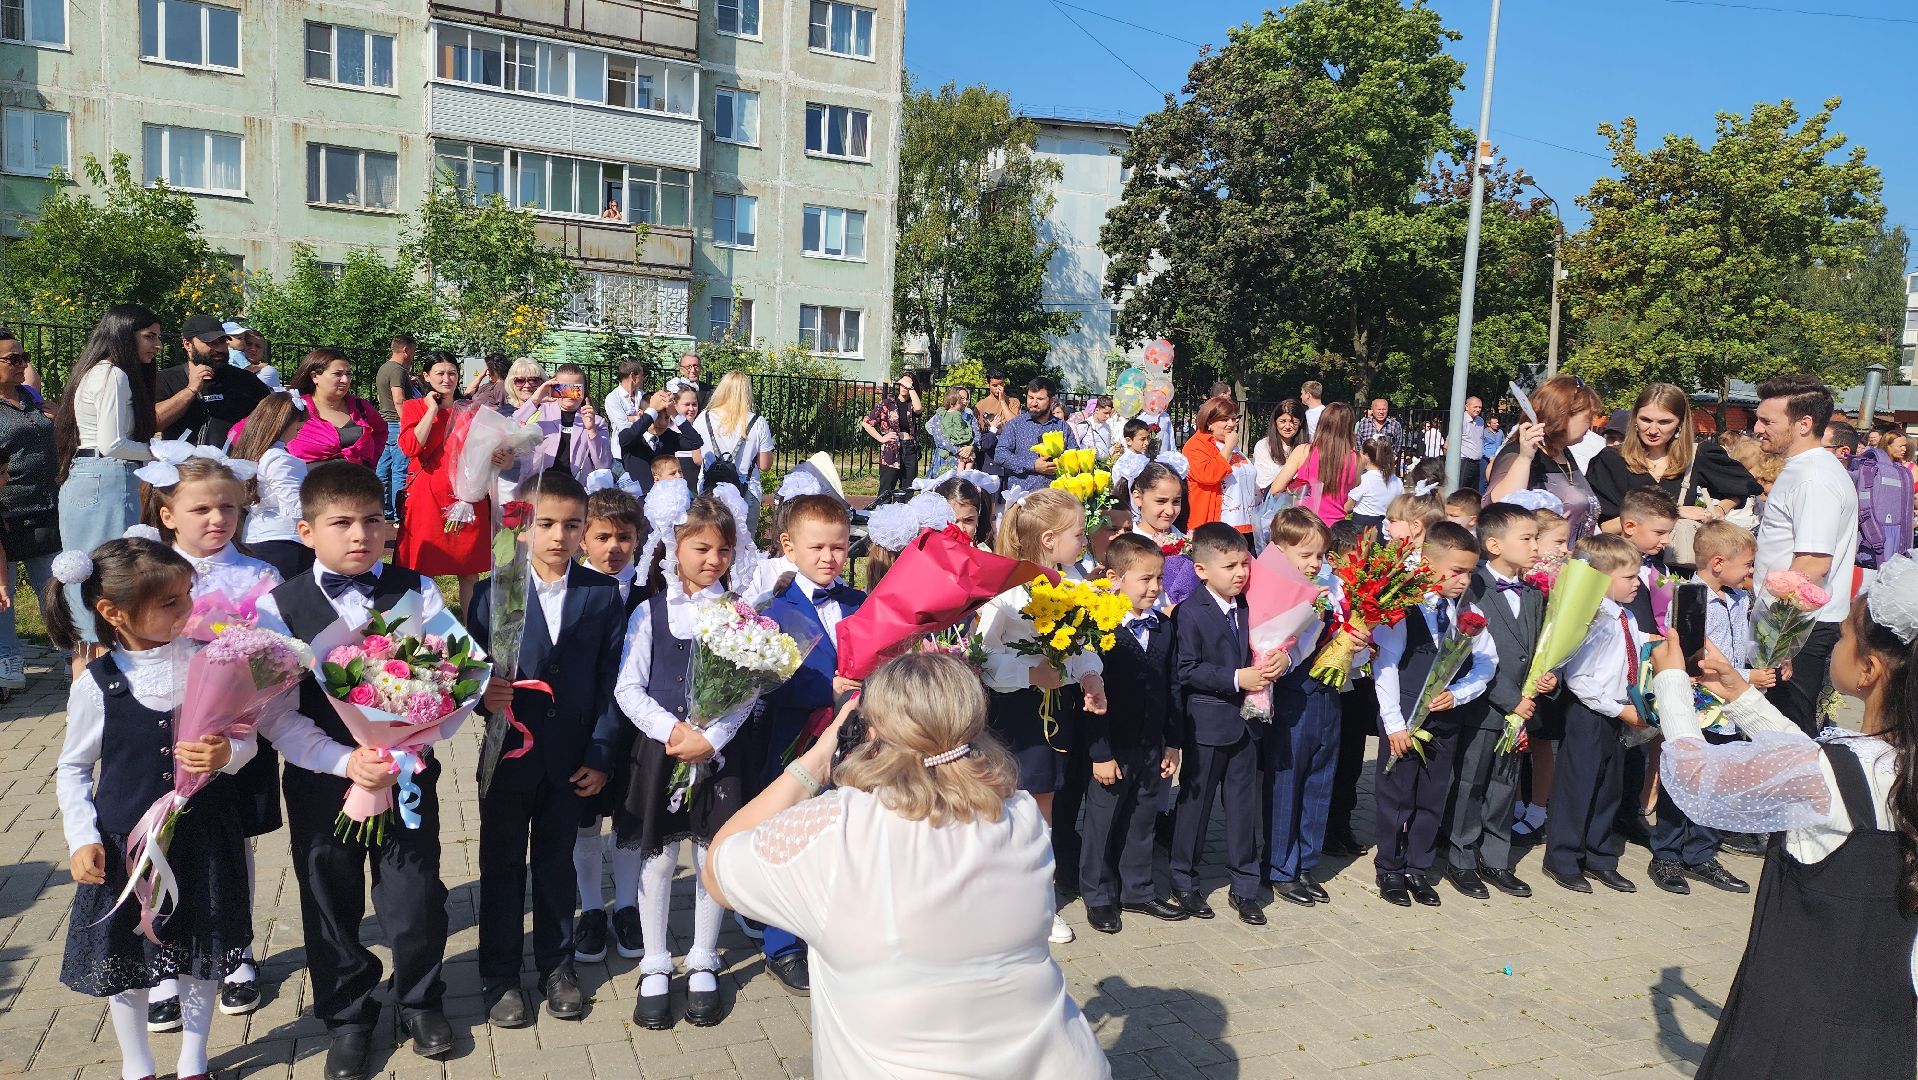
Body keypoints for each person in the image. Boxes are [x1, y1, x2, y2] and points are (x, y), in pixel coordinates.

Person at [703, 653, 1110, 1078]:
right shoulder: (1020, 814)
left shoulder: (836, 830)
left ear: (870, 732)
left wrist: (820, 757)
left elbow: (717, 869)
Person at [1650, 556, 1918, 1078]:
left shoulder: (1831, 772)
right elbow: (1816, 767)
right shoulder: (1892, 763)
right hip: (1886, 1030)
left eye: (1842, 637)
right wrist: (1736, 691)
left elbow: (1691, 776)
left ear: (1868, 670)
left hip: (1796, 1029)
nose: (1835, 647)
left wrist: (1672, 683)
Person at [253, 462, 455, 1080]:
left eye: (372, 520)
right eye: (340, 523)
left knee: (415, 894)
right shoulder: (277, 606)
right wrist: (346, 762)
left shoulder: (416, 590)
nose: (359, 534)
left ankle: (420, 997)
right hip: (322, 778)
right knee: (329, 897)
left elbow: (453, 685)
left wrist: (407, 747)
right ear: (306, 530)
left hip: (406, 772)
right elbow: (271, 712)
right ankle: (348, 1013)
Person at [50, 538, 256, 1080]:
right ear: (114, 613)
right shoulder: (99, 684)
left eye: (188, 595)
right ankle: (136, 1064)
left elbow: (247, 740)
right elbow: (73, 768)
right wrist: (81, 838)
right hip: (126, 845)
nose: (188, 609)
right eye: (170, 603)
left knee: (202, 949)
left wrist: (227, 754)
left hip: (204, 835)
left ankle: (194, 1059)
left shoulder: (213, 662)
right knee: (129, 960)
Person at [467, 469, 624, 1028]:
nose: (559, 536)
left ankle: (557, 966)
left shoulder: (602, 594)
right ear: (524, 525)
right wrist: (484, 696)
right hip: (509, 757)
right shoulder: (494, 591)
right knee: (502, 865)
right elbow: (468, 675)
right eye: (546, 523)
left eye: (572, 525)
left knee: (556, 865)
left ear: (585, 530)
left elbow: (612, 680)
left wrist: (602, 752)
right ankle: (500, 973)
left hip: (570, 759)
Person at [137, 447, 283, 1024]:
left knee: (232, 840)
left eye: (229, 507)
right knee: (156, 837)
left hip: (233, 734)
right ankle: (161, 959)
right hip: (158, 726)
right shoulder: (145, 571)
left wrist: (243, 698)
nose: (218, 519)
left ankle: (235, 948)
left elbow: (277, 659)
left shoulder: (259, 577)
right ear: (169, 513)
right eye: (201, 509)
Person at [612, 489, 757, 1030]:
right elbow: (629, 687)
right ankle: (654, 960)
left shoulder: (739, 614)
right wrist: (674, 732)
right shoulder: (650, 612)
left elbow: (747, 690)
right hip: (660, 750)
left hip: (718, 755)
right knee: (659, 853)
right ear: (674, 546)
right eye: (701, 548)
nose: (712, 560)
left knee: (709, 852)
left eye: (723, 550)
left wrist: (711, 737)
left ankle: (703, 955)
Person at [978, 488, 1110, 944]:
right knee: (1009, 808)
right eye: (1079, 533)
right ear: (1050, 539)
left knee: (1045, 809)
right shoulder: (1008, 591)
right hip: (1016, 715)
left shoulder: (1072, 585)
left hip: (1057, 715)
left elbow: (1083, 644)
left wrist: (1091, 675)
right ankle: (1000, 902)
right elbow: (983, 656)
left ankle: (1037, 901)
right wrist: (1029, 672)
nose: (1085, 538)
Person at [757, 494, 865, 992]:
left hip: (857, 748)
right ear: (788, 547)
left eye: (839, 547)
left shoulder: (861, 603)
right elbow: (768, 685)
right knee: (792, 841)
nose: (828, 557)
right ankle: (780, 942)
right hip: (795, 746)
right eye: (817, 547)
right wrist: (827, 691)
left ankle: (835, 934)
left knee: (843, 842)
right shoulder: (773, 612)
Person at [1369, 522, 1495, 908]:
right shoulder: (1402, 606)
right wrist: (1392, 724)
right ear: (1427, 564)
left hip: (1444, 718)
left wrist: (1457, 694)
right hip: (1403, 718)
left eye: (1470, 572)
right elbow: (1386, 666)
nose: (1463, 580)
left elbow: (1486, 665)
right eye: (1456, 571)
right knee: (1396, 795)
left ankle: (1417, 868)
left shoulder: (1466, 611)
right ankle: (1390, 867)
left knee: (1432, 794)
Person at [1169, 523, 1285, 925]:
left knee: (1242, 807)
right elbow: (1186, 669)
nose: (1240, 573)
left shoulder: (1252, 606)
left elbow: (1271, 644)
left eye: (1243, 564)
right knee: (1195, 806)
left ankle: (1246, 886)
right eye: (1229, 566)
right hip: (1207, 724)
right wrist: (1238, 679)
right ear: (1201, 570)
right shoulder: (1189, 612)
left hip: (1248, 724)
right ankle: (1183, 880)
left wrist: (1280, 660)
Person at [1078, 534, 1187, 935]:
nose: (1154, 588)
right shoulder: (1098, 631)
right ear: (1116, 578)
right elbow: (1090, 699)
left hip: (1150, 743)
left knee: (1142, 817)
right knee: (1103, 821)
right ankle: (1099, 894)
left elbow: (1172, 686)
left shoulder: (1163, 627)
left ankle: (1138, 890)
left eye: (1158, 579)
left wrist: (1172, 742)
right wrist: (1100, 752)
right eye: (1145, 579)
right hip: (1113, 745)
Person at [1449, 503, 1552, 901]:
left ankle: (1496, 857)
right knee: (1471, 783)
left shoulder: (1530, 593)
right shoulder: (1472, 586)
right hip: (1484, 705)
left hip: (1520, 709)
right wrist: (1509, 699)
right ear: (1493, 544)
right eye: (1526, 538)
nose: (1535, 546)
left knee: (1505, 783)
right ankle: (1461, 856)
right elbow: (1465, 655)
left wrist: (1546, 678)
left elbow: (1537, 646)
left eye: (1535, 538)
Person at [55, 304, 163, 681]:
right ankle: (95, 690)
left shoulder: (97, 371)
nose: (157, 345)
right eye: (149, 336)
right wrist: (159, 453)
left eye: (158, 336)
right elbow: (113, 442)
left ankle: (87, 688)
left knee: (90, 579)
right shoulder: (113, 374)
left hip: (94, 477)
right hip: (107, 475)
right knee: (106, 578)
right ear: (124, 333)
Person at [1752, 375, 1859, 736]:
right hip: (1795, 625)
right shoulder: (1805, 470)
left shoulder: (1813, 478)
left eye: (1768, 421)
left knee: (1788, 737)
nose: (1757, 428)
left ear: (1804, 424)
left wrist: (1779, 640)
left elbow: (1812, 565)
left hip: (1800, 628)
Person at [569, 483, 646, 969]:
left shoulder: (651, 589)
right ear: (584, 540)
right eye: (602, 537)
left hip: (639, 728)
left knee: (630, 818)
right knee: (586, 820)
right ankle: (593, 907)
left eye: (624, 537)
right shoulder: (573, 590)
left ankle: (631, 907)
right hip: (589, 725)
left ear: (638, 538)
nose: (613, 548)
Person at [1544, 532, 1647, 895]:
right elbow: (1580, 679)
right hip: (1591, 714)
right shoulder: (1591, 618)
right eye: (1630, 577)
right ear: (1601, 579)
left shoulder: (1626, 616)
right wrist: (1618, 709)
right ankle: (1563, 858)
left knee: (1609, 787)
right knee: (1579, 785)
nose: (1639, 582)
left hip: (1619, 713)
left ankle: (1600, 856)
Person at [1262, 509, 1340, 907]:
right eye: (1306, 555)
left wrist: (1353, 645)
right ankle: (1280, 865)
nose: (1315, 563)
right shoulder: (1271, 587)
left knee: (1319, 778)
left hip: (1327, 691)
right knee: (1288, 781)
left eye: (1320, 556)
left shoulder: (1328, 586)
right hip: (1292, 694)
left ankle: (1306, 861)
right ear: (1279, 551)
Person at [398, 353, 514, 612]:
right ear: (426, 376)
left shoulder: (472, 411)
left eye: (451, 373)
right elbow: (410, 447)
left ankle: (470, 629)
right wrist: (431, 411)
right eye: (439, 373)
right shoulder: (413, 407)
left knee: (469, 570)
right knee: (422, 569)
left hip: (466, 496)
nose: (446, 378)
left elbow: (488, 451)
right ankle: (423, 630)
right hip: (427, 496)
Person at [1585, 383, 1759, 540]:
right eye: (1645, 419)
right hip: (1625, 562)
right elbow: (1606, 526)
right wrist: (1674, 511)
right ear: (1635, 419)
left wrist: (1719, 510)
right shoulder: (1611, 460)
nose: (1653, 429)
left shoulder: (1698, 455)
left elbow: (1747, 486)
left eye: (1664, 422)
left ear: (1680, 423)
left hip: (1678, 566)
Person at [0, 329, 57, 696]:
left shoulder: (33, 400)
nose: (23, 364)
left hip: (46, 508)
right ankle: (8, 659)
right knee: (2, 593)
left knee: (54, 590)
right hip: (6, 511)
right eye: (13, 359)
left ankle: (71, 652)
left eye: (24, 357)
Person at [1486, 374, 1605, 542]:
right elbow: (1499, 510)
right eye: (1587, 418)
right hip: (1539, 565)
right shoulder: (1519, 453)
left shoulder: (1564, 453)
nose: (1591, 424)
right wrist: (1525, 458)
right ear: (1563, 415)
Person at [153, 315, 270, 449]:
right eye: (211, 343)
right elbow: (153, 423)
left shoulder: (245, 380)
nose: (219, 349)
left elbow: (274, 417)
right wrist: (190, 390)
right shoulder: (167, 379)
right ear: (187, 344)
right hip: (185, 467)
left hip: (233, 467)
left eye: (222, 341)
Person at [231, 393, 314, 581]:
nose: (301, 428)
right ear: (284, 422)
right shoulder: (280, 459)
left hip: (256, 535)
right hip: (285, 541)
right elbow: (295, 506)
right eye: (299, 424)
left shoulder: (254, 453)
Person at [278, 348, 388, 468]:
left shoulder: (361, 407)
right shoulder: (296, 408)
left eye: (348, 374)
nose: (345, 380)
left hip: (360, 484)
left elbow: (380, 432)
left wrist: (370, 462)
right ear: (315, 377)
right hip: (309, 484)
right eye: (338, 374)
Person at [695, 372, 775, 523]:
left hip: (710, 490)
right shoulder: (757, 422)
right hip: (746, 491)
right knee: (743, 544)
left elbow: (698, 459)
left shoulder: (703, 417)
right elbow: (764, 465)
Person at [1271, 401, 1361, 528]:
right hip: (1334, 526)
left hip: (1304, 524)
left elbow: (1276, 488)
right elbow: (1353, 486)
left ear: (1322, 422)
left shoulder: (1303, 451)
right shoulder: (1356, 459)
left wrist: (1295, 488)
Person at [516, 364, 611, 480]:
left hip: (576, 489)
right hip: (539, 486)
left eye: (575, 389)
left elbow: (603, 464)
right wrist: (535, 400)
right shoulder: (539, 411)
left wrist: (591, 431)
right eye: (563, 388)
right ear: (554, 388)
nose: (570, 394)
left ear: (584, 391)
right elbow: (509, 429)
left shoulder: (596, 422)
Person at [1122, 461, 1196, 610]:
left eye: (1176, 502)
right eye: (1160, 501)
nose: (1169, 510)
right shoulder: (1127, 545)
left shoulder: (1188, 542)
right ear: (1138, 498)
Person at [1182, 395, 1257, 536]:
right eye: (1224, 419)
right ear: (1209, 423)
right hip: (1215, 527)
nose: (1231, 424)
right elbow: (1209, 475)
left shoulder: (1230, 444)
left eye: (1234, 419)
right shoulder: (1196, 445)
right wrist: (1229, 446)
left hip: (1245, 525)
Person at [994, 378, 1079, 498]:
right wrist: (1032, 465)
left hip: (1053, 497)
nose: (1033, 403)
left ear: (1051, 400)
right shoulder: (1015, 425)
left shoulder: (1062, 427)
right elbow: (1000, 454)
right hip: (1021, 497)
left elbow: (1074, 456)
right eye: (1030, 397)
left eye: (1040, 399)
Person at [372, 334, 418, 521]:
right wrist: (407, 422)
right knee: (400, 469)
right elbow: (398, 398)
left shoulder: (384, 368)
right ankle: (401, 515)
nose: (414, 354)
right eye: (413, 350)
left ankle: (384, 511)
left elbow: (381, 397)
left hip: (385, 422)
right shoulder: (398, 370)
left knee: (383, 468)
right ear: (406, 350)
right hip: (397, 423)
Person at [863, 373, 924, 505]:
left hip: (909, 449)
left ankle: (903, 520)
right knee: (886, 488)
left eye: (908, 385)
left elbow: (919, 409)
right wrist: (881, 438)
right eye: (902, 384)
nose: (904, 387)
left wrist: (911, 389)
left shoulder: (912, 404)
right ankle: (881, 518)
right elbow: (866, 422)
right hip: (891, 450)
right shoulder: (887, 403)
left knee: (908, 489)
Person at [1345, 437, 1403, 534]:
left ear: (1366, 456)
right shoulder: (1397, 481)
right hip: (1386, 526)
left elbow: (1348, 507)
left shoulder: (1363, 479)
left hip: (1362, 526)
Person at [930, 385, 979, 475]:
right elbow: (940, 438)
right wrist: (959, 451)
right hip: (946, 459)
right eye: (962, 399)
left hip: (967, 459)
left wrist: (971, 448)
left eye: (967, 399)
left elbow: (977, 437)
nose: (965, 401)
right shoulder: (941, 415)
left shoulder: (970, 417)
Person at [603, 359, 646, 450]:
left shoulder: (643, 395)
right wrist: (640, 418)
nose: (643, 378)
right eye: (642, 375)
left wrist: (629, 418)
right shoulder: (613, 398)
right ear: (632, 376)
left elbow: (652, 419)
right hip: (621, 452)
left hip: (642, 449)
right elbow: (624, 426)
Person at [228, 325, 282, 390]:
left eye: (258, 346)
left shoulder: (267, 371)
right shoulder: (231, 357)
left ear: (263, 352)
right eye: (248, 344)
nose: (253, 349)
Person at [1356, 398, 1409, 464]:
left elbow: (1398, 446)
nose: (1381, 412)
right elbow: (1358, 445)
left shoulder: (1395, 425)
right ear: (1372, 410)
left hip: (1387, 466)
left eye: (1384, 409)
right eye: (1378, 409)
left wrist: (1392, 459)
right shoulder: (1363, 424)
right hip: (1366, 465)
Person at [1072, 396, 1119, 461]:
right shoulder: (1085, 425)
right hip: (1088, 463)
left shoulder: (1107, 426)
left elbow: (1108, 447)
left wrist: (1114, 448)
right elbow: (1073, 444)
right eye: (1105, 413)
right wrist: (1087, 449)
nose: (1108, 416)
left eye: (1109, 413)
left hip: (1104, 465)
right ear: (1097, 410)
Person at [1458, 396, 1486, 491]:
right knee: (1461, 491)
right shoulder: (1460, 420)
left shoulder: (1480, 421)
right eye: (1475, 407)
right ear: (1467, 407)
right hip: (1464, 462)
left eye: (1480, 407)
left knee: (1473, 493)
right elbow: (1449, 443)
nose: (1478, 409)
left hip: (1477, 463)